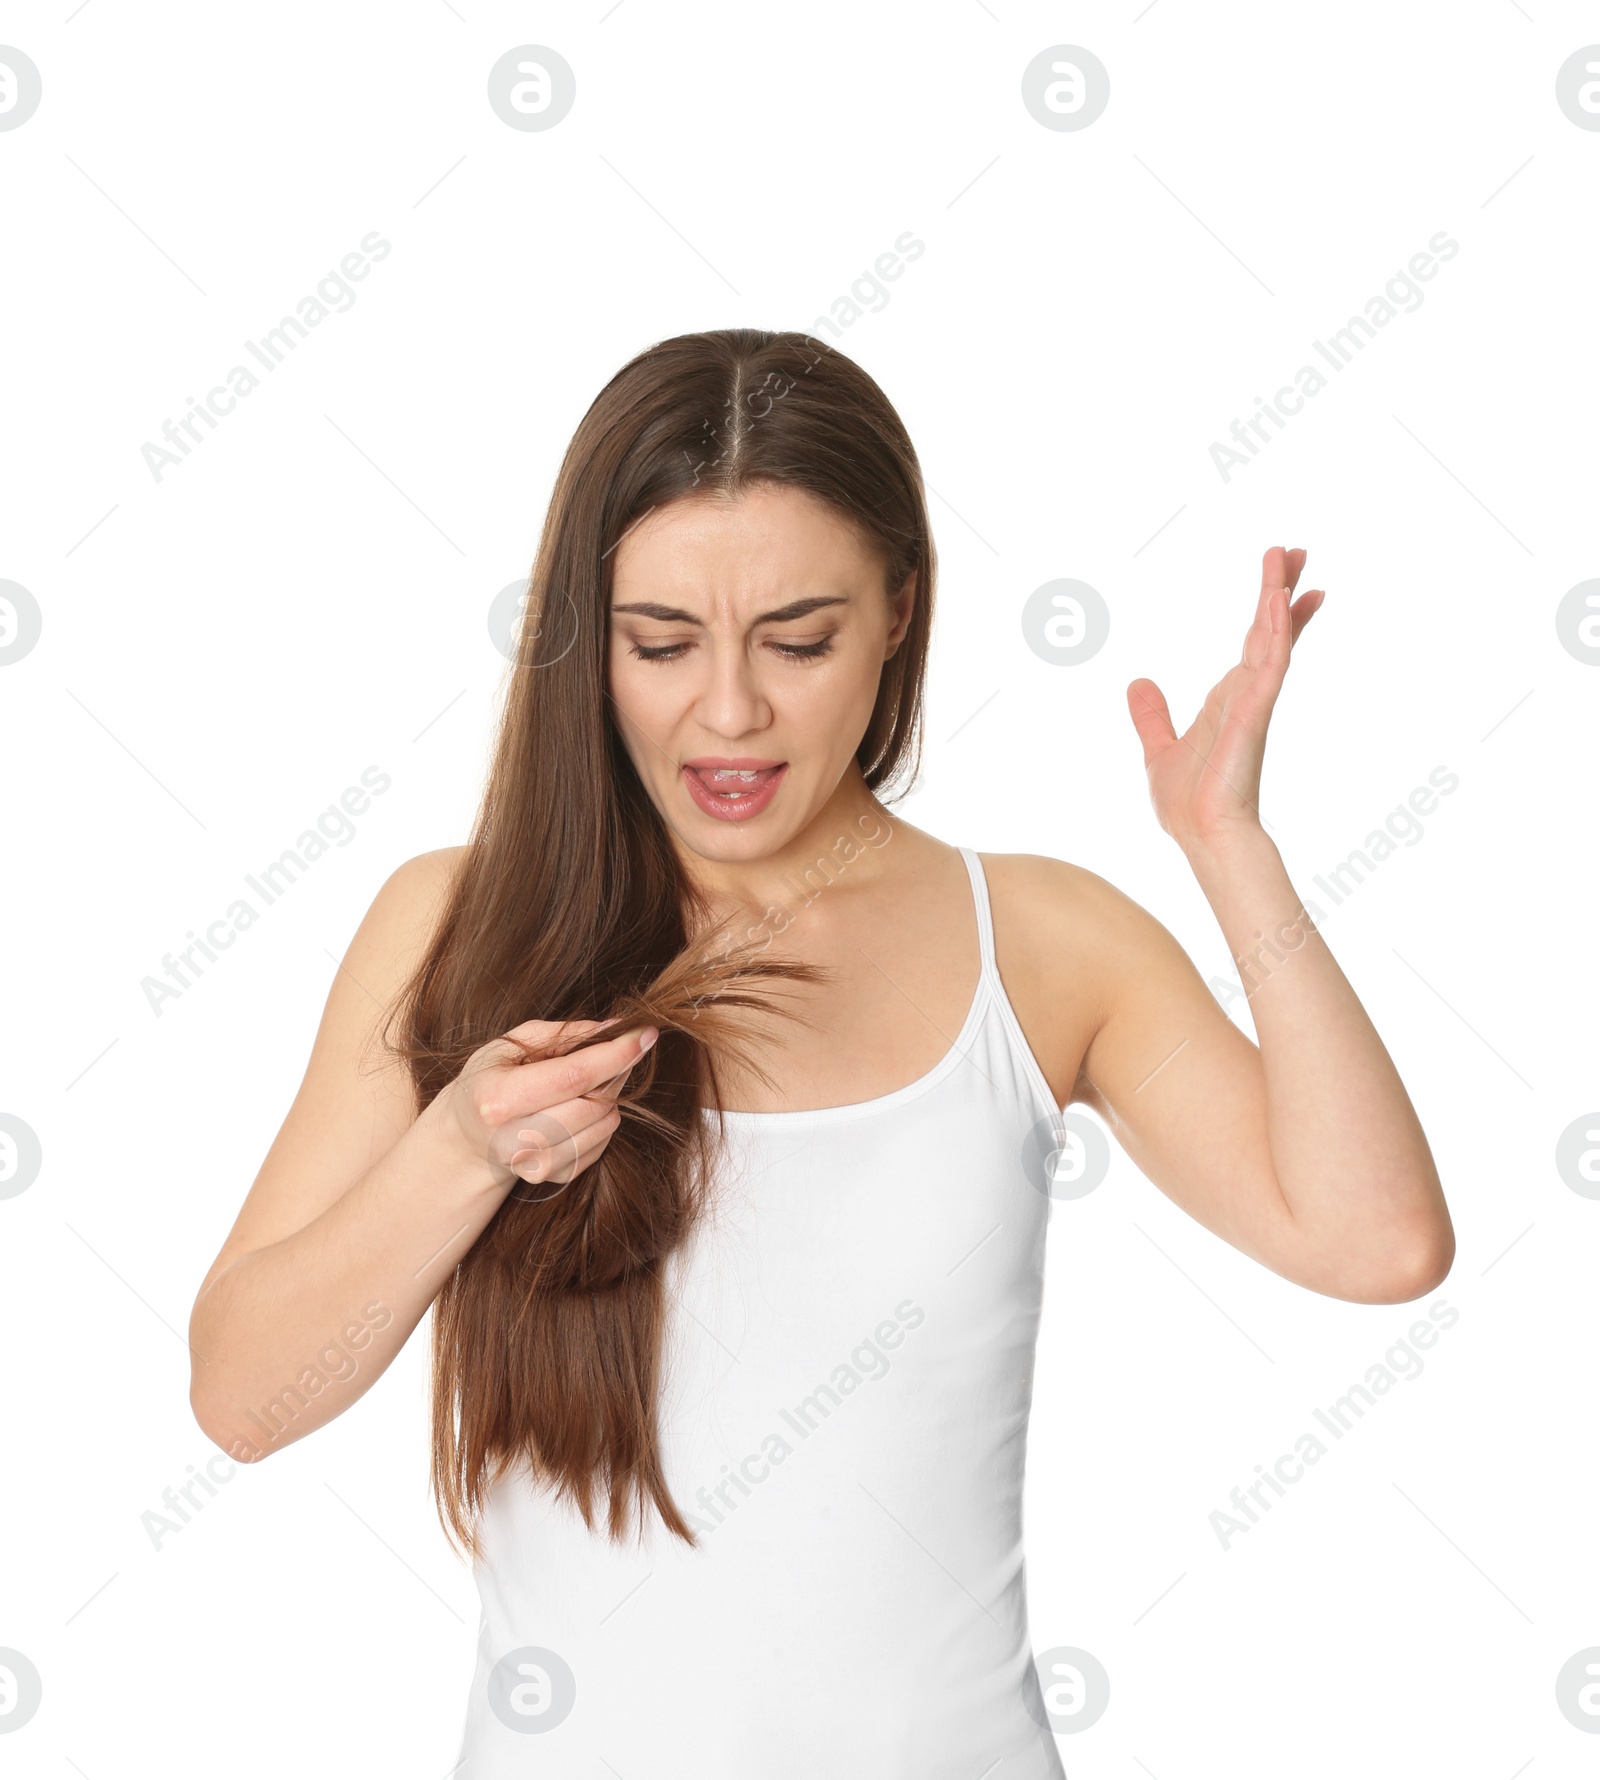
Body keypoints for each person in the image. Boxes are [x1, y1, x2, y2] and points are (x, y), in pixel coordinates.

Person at [187, 328, 1454, 1776]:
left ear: (902, 612)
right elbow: (243, 1397)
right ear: (583, 635)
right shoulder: (454, 925)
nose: (729, 710)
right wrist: (462, 1152)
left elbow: (1380, 1244)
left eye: (799, 639)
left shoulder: (1039, 942)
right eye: (661, 643)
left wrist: (1230, 852)